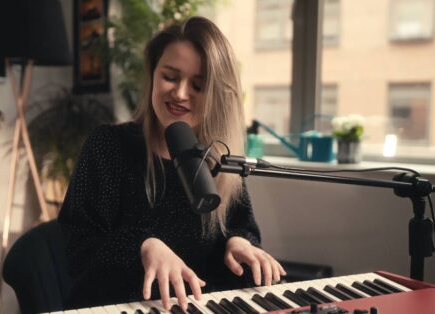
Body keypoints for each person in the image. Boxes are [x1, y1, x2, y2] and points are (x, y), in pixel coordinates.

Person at [58, 16, 286, 311]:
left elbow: (241, 228)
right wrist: (143, 246)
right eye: (170, 76)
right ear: (152, 74)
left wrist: (239, 243)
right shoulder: (109, 146)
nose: (179, 93)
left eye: (198, 85)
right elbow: (77, 249)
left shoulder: (218, 159)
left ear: (216, 94)